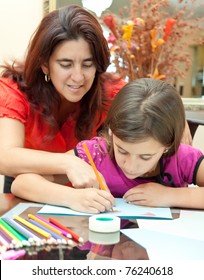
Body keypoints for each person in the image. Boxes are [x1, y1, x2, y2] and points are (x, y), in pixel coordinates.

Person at [11, 78, 204, 212]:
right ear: (111, 132)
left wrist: (170, 196)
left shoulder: (181, 158)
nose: (130, 165)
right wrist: (71, 197)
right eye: (122, 150)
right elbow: (21, 184)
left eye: (145, 157)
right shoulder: (95, 153)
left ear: (168, 145)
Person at [0, 4, 126, 193]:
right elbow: (5, 156)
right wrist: (68, 162)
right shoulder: (14, 90)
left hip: (83, 190)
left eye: (87, 64)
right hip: (28, 185)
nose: (78, 77)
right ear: (44, 65)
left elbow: (157, 105)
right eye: (66, 64)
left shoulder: (110, 91)